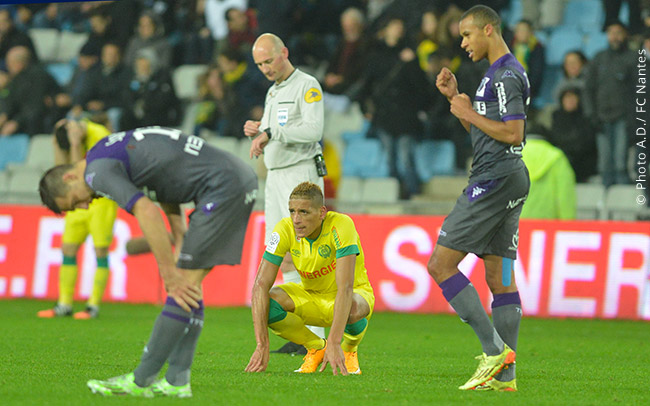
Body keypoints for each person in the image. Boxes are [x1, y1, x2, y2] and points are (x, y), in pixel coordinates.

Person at [38, 125, 258, 397]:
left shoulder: (97, 173)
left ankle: (140, 381)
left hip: (222, 187)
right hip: (230, 178)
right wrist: (178, 233)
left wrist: (167, 272)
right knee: (190, 289)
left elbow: (145, 209)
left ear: (71, 177)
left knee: (181, 286)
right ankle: (178, 381)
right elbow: (161, 176)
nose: (83, 208)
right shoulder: (105, 151)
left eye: (74, 202)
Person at [427, 5, 530, 392]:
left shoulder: (504, 75)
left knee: (440, 265)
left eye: (467, 35)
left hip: (494, 181)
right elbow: (490, 131)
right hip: (508, 181)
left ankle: (494, 351)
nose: (463, 43)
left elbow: (513, 133)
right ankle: (506, 377)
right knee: (499, 278)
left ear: (489, 29)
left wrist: (468, 109)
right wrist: (458, 101)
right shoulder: (495, 74)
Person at [244, 33, 326, 353]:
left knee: (308, 254)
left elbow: (313, 131)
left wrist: (270, 131)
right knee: (285, 254)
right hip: (276, 179)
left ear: (284, 53)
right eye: (260, 64)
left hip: (300, 175)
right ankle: (299, 336)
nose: (265, 68)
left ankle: (316, 335)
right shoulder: (273, 91)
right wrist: (257, 131)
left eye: (268, 60)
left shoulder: (307, 85)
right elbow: (270, 130)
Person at [245, 182, 374, 375]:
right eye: (292, 211)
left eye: (304, 212)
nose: (296, 219)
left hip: (351, 294)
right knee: (267, 304)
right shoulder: (284, 229)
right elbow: (260, 285)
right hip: (311, 296)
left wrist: (335, 341)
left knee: (354, 309)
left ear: (322, 212)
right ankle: (316, 347)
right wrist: (261, 344)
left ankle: (349, 349)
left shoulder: (342, 225)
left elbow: (346, 288)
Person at [37, 118, 117, 319]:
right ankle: (64, 303)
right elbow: (63, 175)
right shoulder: (71, 136)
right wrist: (57, 143)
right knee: (68, 249)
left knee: (100, 251)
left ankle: (93, 306)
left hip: (100, 201)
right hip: (76, 201)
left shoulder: (99, 135)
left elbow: (79, 175)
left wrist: (75, 145)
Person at [583, 20, 637, 187]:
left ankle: (624, 203)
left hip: (624, 117)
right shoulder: (599, 58)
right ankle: (604, 207)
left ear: (625, 35)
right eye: (611, 33)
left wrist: (634, 117)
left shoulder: (634, 58)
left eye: (618, 33)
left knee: (621, 163)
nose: (615, 37)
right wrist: (591, 114)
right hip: (601, 117)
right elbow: (588, 88)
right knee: (605, 164)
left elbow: (640, 91)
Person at [520, 131, 576, 220]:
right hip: (549, 227)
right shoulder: (557, 158)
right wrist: (568, 225)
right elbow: (565, 196)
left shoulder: (510, 157)